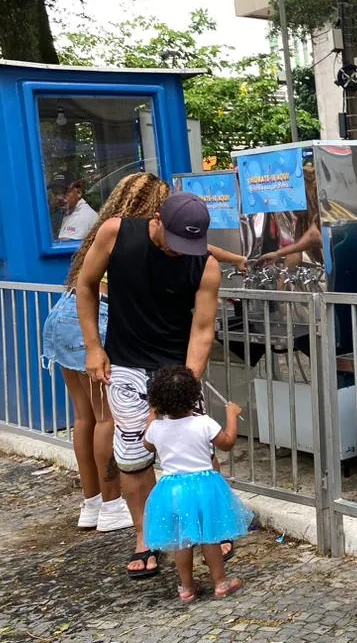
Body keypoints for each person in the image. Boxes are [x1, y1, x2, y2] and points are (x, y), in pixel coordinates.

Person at [76, 191, 225, 579]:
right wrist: (93, 347)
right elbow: (87, 285)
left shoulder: (204, 264)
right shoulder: (115, 233)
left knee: (196, 454)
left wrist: (187, 384)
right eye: (174, 242)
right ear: (156, 219)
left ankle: (209, 528)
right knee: (132, 456)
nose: (179, 252)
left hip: (176, 369)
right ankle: (145, 535)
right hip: (125, 364)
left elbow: (203, 329)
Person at [42, 172, 170, 534]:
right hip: (93, 323)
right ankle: (114, 505)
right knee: (107, 419)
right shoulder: (134, 235)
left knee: (84, 418)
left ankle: (92, 502)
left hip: (63, 317)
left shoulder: (103, 229)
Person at [142, 366, 252, 602]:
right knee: (209, 536)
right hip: (204, 486)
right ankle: (220, 583)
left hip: (173, 490)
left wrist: (152, 415)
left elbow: (147, 445)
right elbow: (228, 443)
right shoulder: (204, 423)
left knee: (183, 539)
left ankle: (187, 587)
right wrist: (231, 415)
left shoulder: (156, 428)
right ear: (194, 395)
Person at [54, 176, 99, 242]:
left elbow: (65, 249)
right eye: (55, 193)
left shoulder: (80, 217)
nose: (59, 197)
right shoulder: (70, 211)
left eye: (64, 192)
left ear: (78, 193)